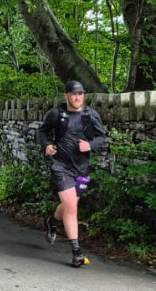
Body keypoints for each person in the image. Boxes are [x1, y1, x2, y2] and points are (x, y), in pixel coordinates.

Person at [37, 81, 110, 267]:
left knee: (70, 205)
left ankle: (52, 222)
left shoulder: (90, 115)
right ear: (66, 95)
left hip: (82, 168)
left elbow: (102, 137)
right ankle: (77, 251)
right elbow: (42, 132)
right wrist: (46, 145)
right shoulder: (56, 114)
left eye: (80, 94)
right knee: (71, 207)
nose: (77, 97)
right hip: (60, 165)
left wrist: (90, 145)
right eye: (73, 94)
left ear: (83, 95)